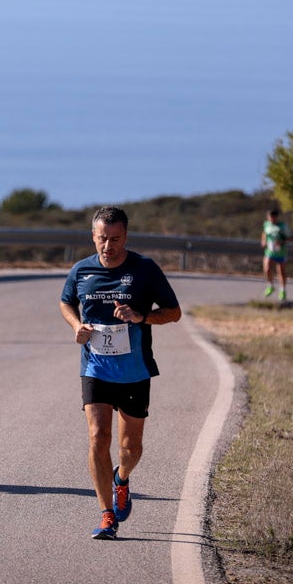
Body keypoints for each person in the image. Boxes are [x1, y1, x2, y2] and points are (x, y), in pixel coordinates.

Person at [59, 206, 181, 540]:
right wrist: (76, 325)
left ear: (125, 237)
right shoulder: (82, 270)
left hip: (134, 370)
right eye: (102, 238)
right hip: (95, 367)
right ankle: (106, 515)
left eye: (115, 239)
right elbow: (66, 302)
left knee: (131, 448)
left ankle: (122, 478)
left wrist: (141, 317)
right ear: (93, 236)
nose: (108, 246)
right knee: (98, 437)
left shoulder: (144, 269)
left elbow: (174, 312)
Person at [261, 208, 290, 302]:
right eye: (270, 217)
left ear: (277, 217)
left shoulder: (282, 226)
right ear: (268, 217)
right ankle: (270, 286)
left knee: (281, 271)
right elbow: (264, 233)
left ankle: (282, 290)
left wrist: (281, 243)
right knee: (267, 269)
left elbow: (289, 238)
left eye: (274, 217)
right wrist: (263, 241)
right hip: (270, 251)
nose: (272, 219)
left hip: (281, 252)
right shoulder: (266, 224)